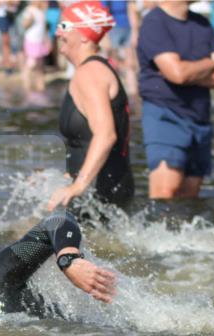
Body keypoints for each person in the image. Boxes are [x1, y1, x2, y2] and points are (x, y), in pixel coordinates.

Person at [138, 0, 214, 199]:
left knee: (189, 199)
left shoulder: (202, 23)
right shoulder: (155, 22)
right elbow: (177, 73)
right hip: (165, 113)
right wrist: (209, 63)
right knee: (166, 193)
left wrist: (189, 73)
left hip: (199, 119)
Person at [48, 1, 133, 218]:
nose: (58, 33)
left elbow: (105, 135)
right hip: (106, 185)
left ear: (85, 35)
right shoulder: (92, 70)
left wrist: (78, 186)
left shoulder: (90, 74)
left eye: (65, 27)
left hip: (98, 190)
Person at [20, 0, 49, 93]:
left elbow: (44, 28)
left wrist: (47, 40)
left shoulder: (41, 11)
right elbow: (24, 25)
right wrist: (30, 19)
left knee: (40, 66)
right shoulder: (29, 10)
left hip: (40, 41)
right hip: (31, 41)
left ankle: (41, 86)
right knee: (31, 64)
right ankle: (26, 86)